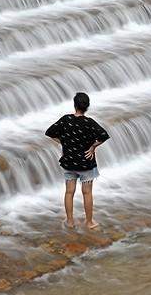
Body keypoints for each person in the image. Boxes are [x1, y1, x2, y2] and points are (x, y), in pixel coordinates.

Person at [45, 92, 110, 230]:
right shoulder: (89, 123)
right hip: (86, 163)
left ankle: (69, 221)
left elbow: (49, 132)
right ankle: (89, 222)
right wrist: (93, 147)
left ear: (74, 105)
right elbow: (104, 135)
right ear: (87, 107)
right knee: (87, 193)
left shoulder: (66, 119)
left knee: (69, 192)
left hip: (69, 162)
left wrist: (63, 142)